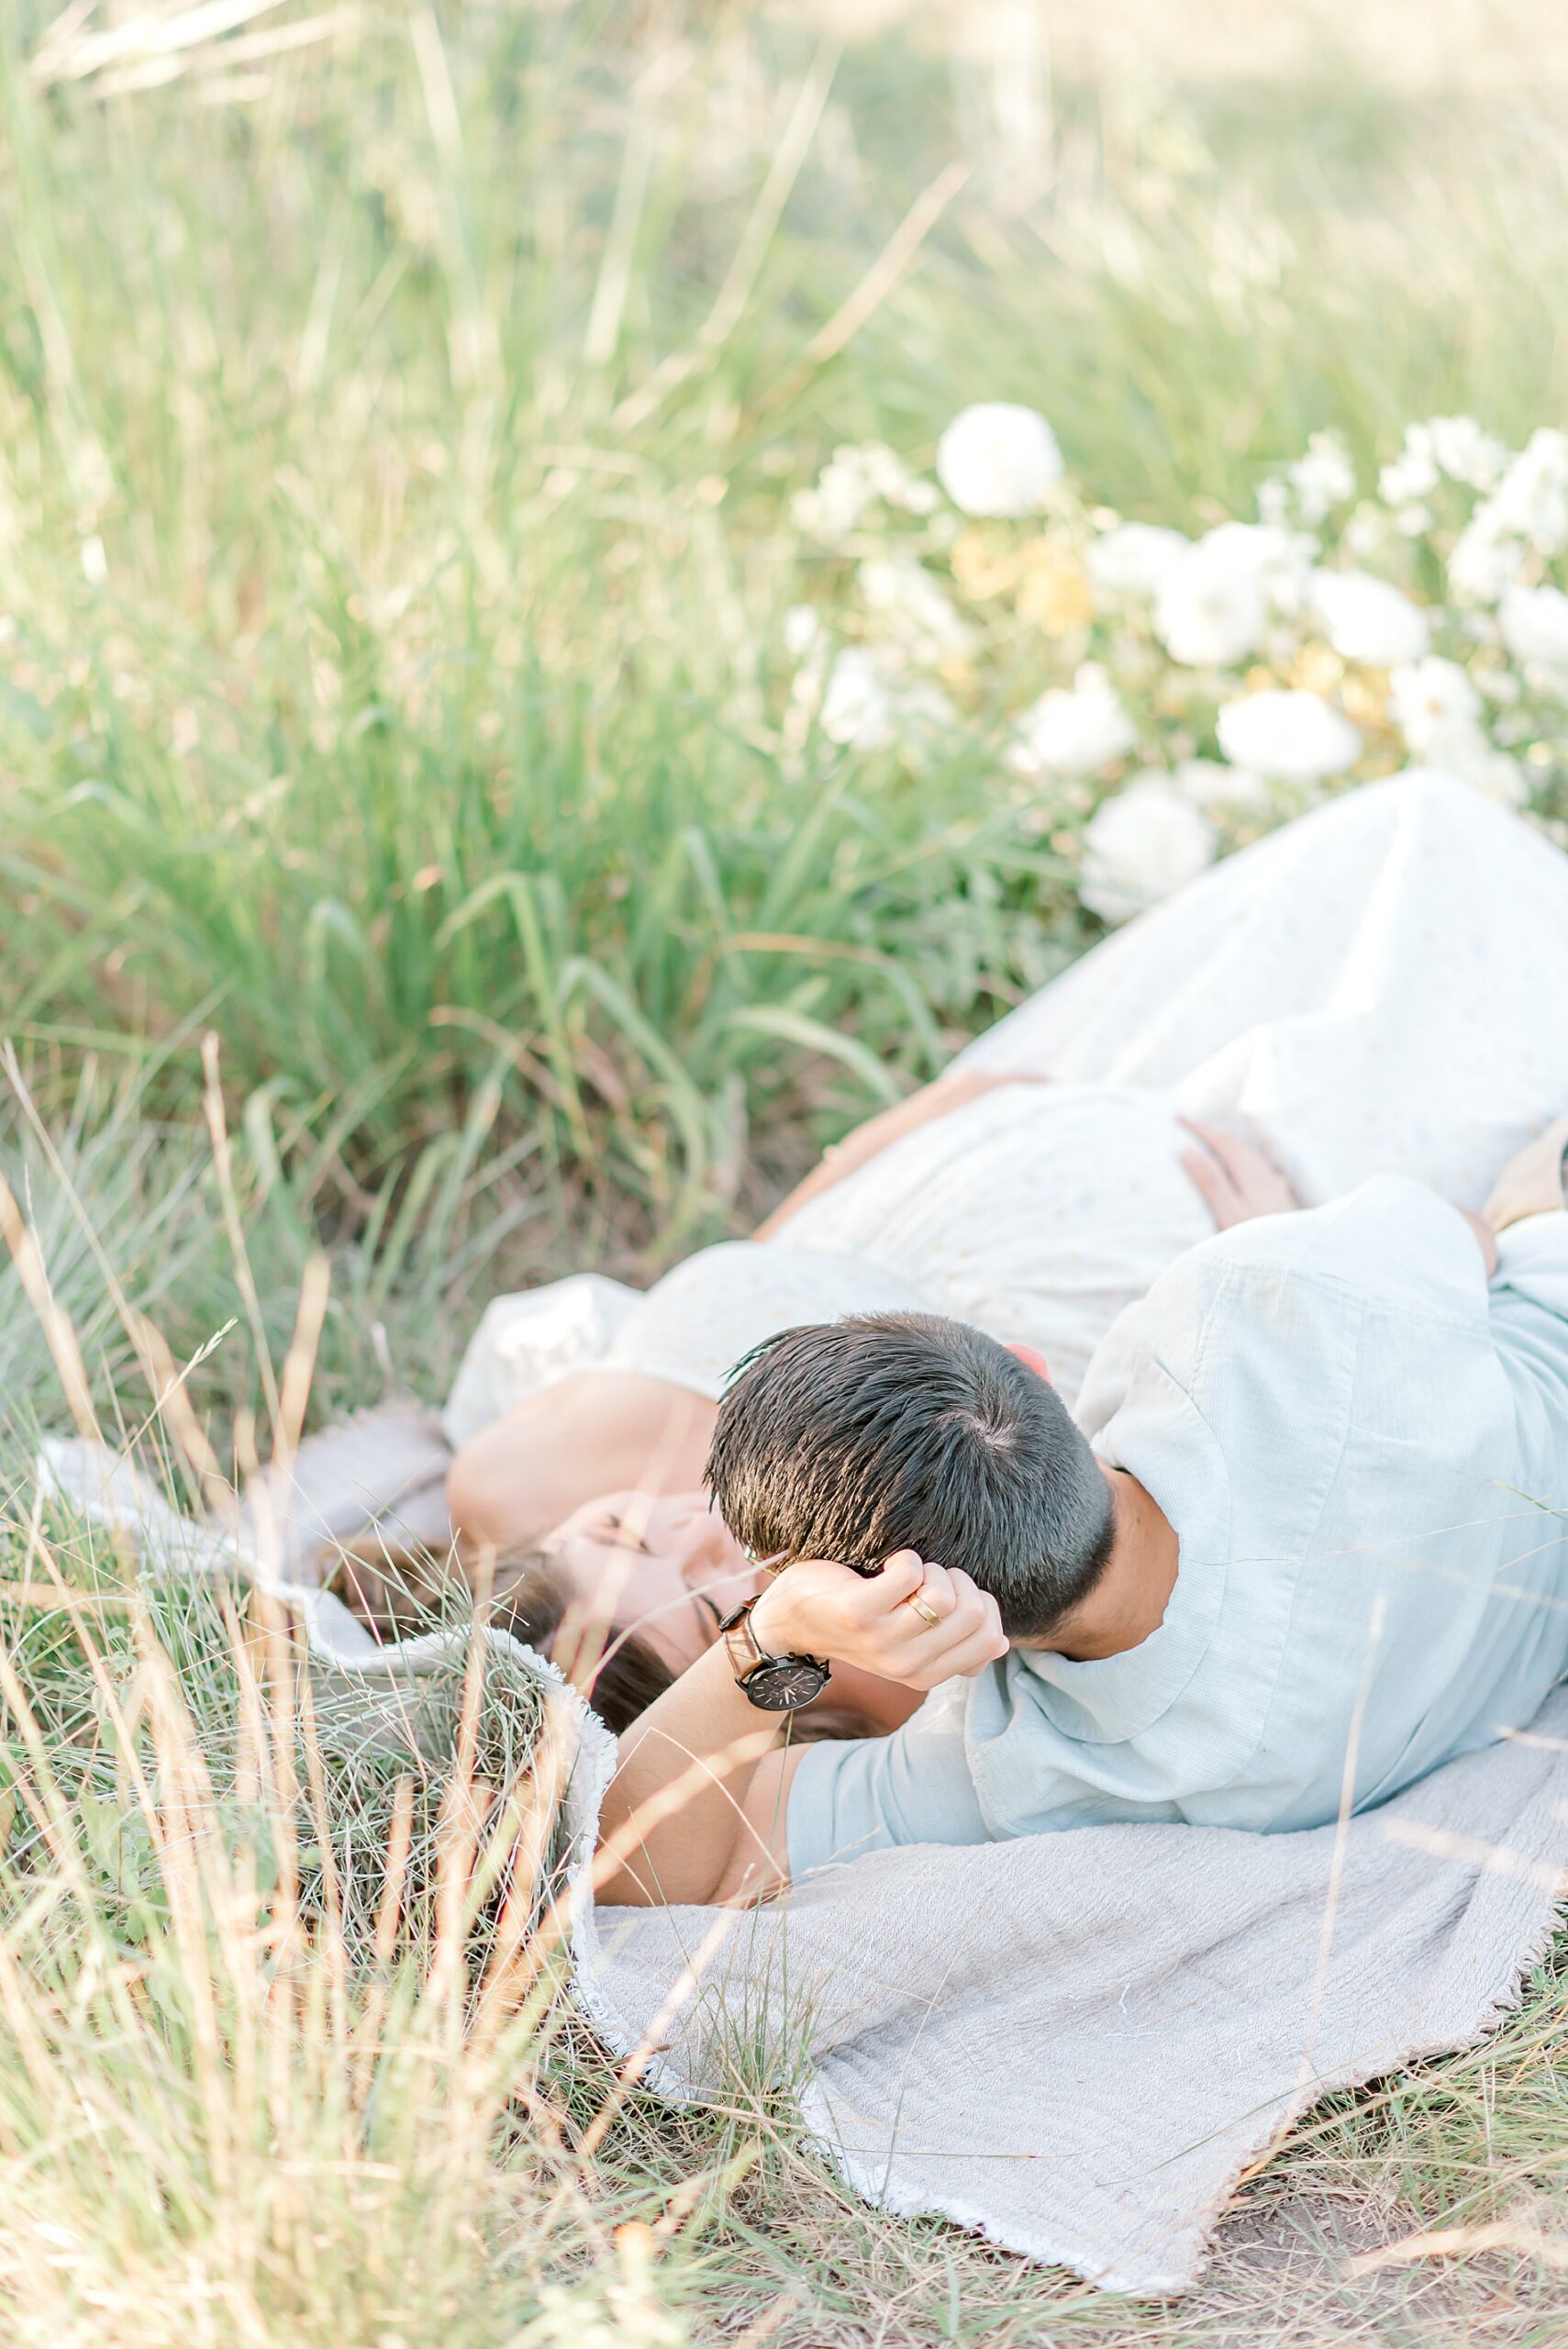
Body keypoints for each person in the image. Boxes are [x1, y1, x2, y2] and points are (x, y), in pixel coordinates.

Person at [442, 772, 1568, 1737]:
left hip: (1003, 1153)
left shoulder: (516, 1481)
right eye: (706, 1601)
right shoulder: (899, 1655)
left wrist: (889, 1134)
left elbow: (755, 1257)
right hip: (1217, 1226)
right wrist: (1271, 1254)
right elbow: (1129, 1501)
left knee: (1418, 834)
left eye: (625, 1529)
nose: (700, 1528)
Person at [595, 1112, 1568, 1909]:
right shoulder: (1249, 1293)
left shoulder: (1033, 1779)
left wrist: (768, 1637)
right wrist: (1299, 1237)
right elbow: (1471, 1239)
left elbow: (630, 1865)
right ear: (1027, 1369)